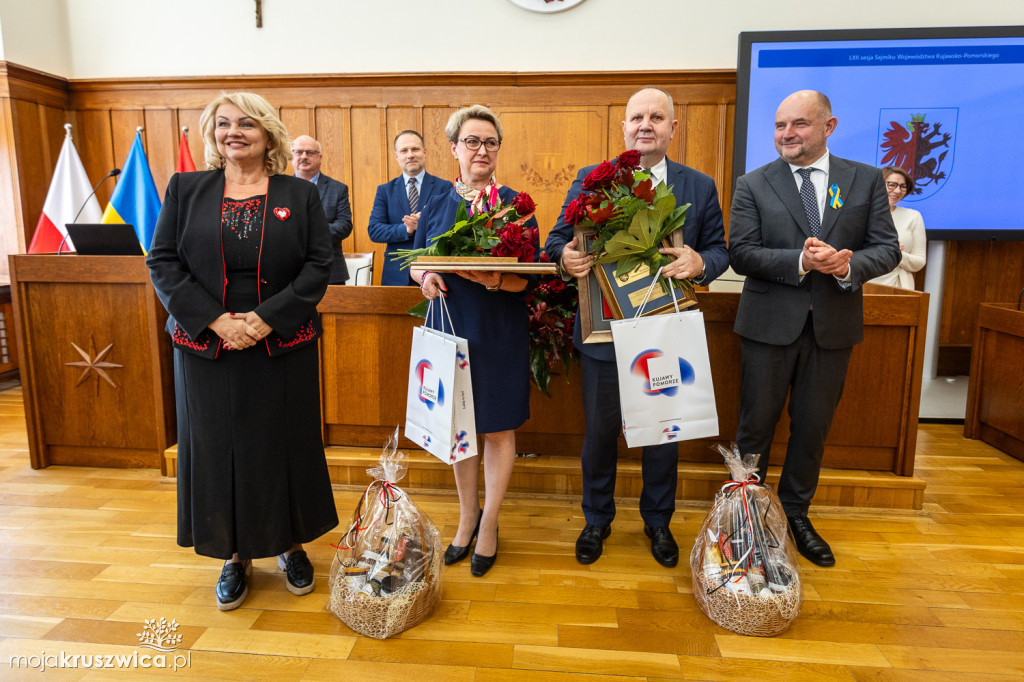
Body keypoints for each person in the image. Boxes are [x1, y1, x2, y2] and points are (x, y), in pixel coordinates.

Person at [147, 92, 339, 610]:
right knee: (217, 451)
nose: (235, 132)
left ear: (268, 134)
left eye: (247, 123)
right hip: (206, 346)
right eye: (224, 123)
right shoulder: (185, 189)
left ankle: (291, 545)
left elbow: (319, 266)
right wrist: (215, 320)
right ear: (213, 133)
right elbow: (162, 261)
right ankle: (235, 556)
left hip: (281, 343)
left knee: (284, 446)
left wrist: (263, 319)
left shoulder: (299, 195)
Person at [545, 87, 729, 568]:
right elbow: (556, 240)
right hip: (604, 332)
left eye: (656, 117)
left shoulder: (699, 185)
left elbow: (719, 250)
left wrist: (699, 261)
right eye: (636, 117)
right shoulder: (592, 179)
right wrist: (565, 257)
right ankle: (596, 519)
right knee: (600, 434)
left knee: (662, 433)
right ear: (624, 127)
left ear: (673, 127)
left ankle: (658, 522)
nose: (644, 124)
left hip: (666, 332)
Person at [729, 90, 901, 567]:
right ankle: (744, 519)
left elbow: (886, 249)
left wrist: (846, 267)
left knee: (812, 429)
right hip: (767, 326)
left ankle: (796, 516)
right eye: (781, 125)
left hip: (833, 327)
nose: (787, 134)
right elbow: (741, 252)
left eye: (800, 124)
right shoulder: (753, 183)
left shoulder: (864, 181)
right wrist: (801, 261)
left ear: (829, 126)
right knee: (754, 428)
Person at [410, 105, 539, 578]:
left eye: (490, 142)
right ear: (453, 149)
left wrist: (489, 279)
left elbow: (528, 280)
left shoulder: (517, 206)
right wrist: (424, 276)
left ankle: (490, 524)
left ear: (498, 149)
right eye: (472, 141)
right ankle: (466, 518)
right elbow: (414, 260)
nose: (481, 150)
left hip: (499, 326)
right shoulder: (437, 204)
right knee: (460, 430)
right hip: (450, 326)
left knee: (498, 427)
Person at [369, 130, 452, 285]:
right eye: (404, 150)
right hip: (395, 275)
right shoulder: (385, 190)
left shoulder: (444, 187)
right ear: (396, 156)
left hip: (434, 273)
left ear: (424, 152)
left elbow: (451, 229)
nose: (410, 155)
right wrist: (406, 229)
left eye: (415, 149)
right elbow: (374, 230)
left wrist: (423, 225)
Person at [291, 134, 353, 284]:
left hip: (330, 271)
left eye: (310, 153)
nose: (304, 157)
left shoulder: (338, 189)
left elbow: (344, 226)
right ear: (291, 156)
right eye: (298, 152)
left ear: (320, 157)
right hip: (290, 270)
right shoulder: (279, 188)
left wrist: (311, 234)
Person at [868, 166, 926, 289]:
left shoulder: (913, 216)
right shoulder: (860, 214)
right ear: (878, 184)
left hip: (899, 287)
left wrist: (895, 253)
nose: (898, 191)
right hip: (864, 285)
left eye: (903, 186)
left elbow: (919, 262)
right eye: (892, 185)